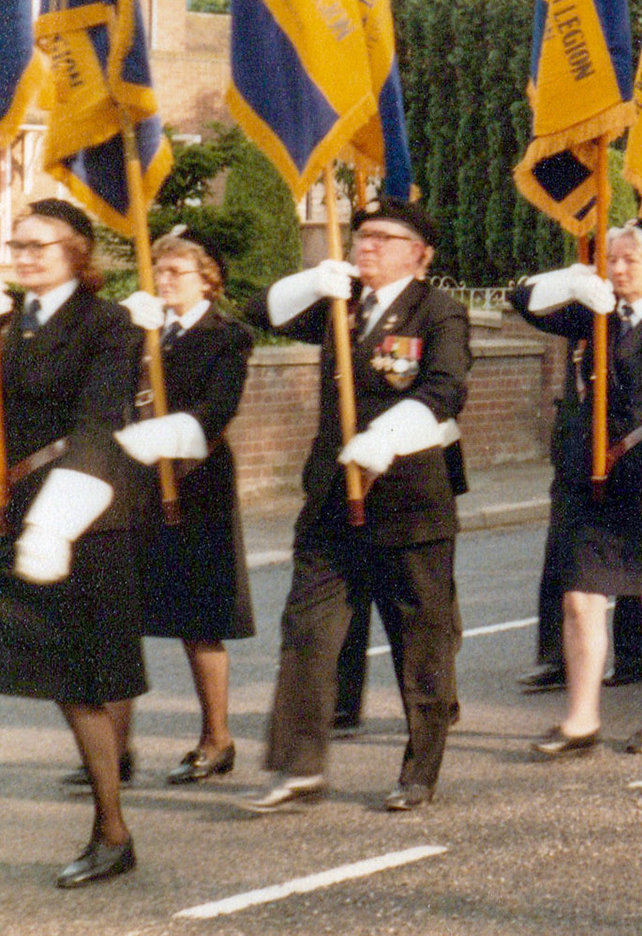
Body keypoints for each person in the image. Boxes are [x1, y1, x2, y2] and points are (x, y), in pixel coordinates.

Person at [242, 197, 469, 815]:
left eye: (384, 238)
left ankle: (420, 770)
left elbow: (446, 388)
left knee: (419, 638)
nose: (367, 245)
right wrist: (312, 280)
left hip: (406, 500)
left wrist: (383, 441)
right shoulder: (337, 302)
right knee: (308, 632)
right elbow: (258, 312)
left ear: (419, 255)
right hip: (331, 501)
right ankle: (298, 765)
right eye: (362, 235)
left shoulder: (438, 310)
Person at [514, 221, 642, 760]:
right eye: (611, 259)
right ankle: (581, 719)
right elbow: (523, 300)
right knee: (580, 597)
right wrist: (575, 281)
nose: (617, 268)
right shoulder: (592, 311)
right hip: (593, 477)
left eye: (630, 259)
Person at [0, 200, 145, 887]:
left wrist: (53, 524)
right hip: (11, 515)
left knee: (83, 686)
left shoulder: (107, 324)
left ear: (78, 253)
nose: (23, 256)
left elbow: (97, 426)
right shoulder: (8, 328)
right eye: (16, 244)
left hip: (78, 522)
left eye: (39, 246)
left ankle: (112, 832)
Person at [113, 229, 256, 789]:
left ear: (208, 280)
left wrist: (161, 439)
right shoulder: (141, 333)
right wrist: (122, 333)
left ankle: (216, 739)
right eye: (159, 271)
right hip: (135, 482)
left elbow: (217, 409)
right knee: (119, 617)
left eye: (176, 272)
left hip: (197, 483)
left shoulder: (227, 337)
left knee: (199, 620)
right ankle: (113, 749)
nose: (164, 280)